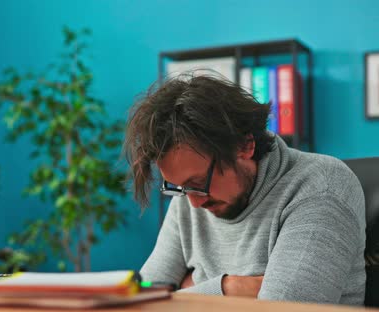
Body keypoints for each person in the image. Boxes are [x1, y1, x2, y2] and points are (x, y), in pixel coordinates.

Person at [124, 74, 366, 305]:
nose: (194, 203)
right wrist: (230, 288)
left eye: (198, 184)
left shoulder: (321, 186)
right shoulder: (190, 194)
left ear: (245, 145)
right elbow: (145, 295)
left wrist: (189, 288)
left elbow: (283, 308)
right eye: (180, 188)